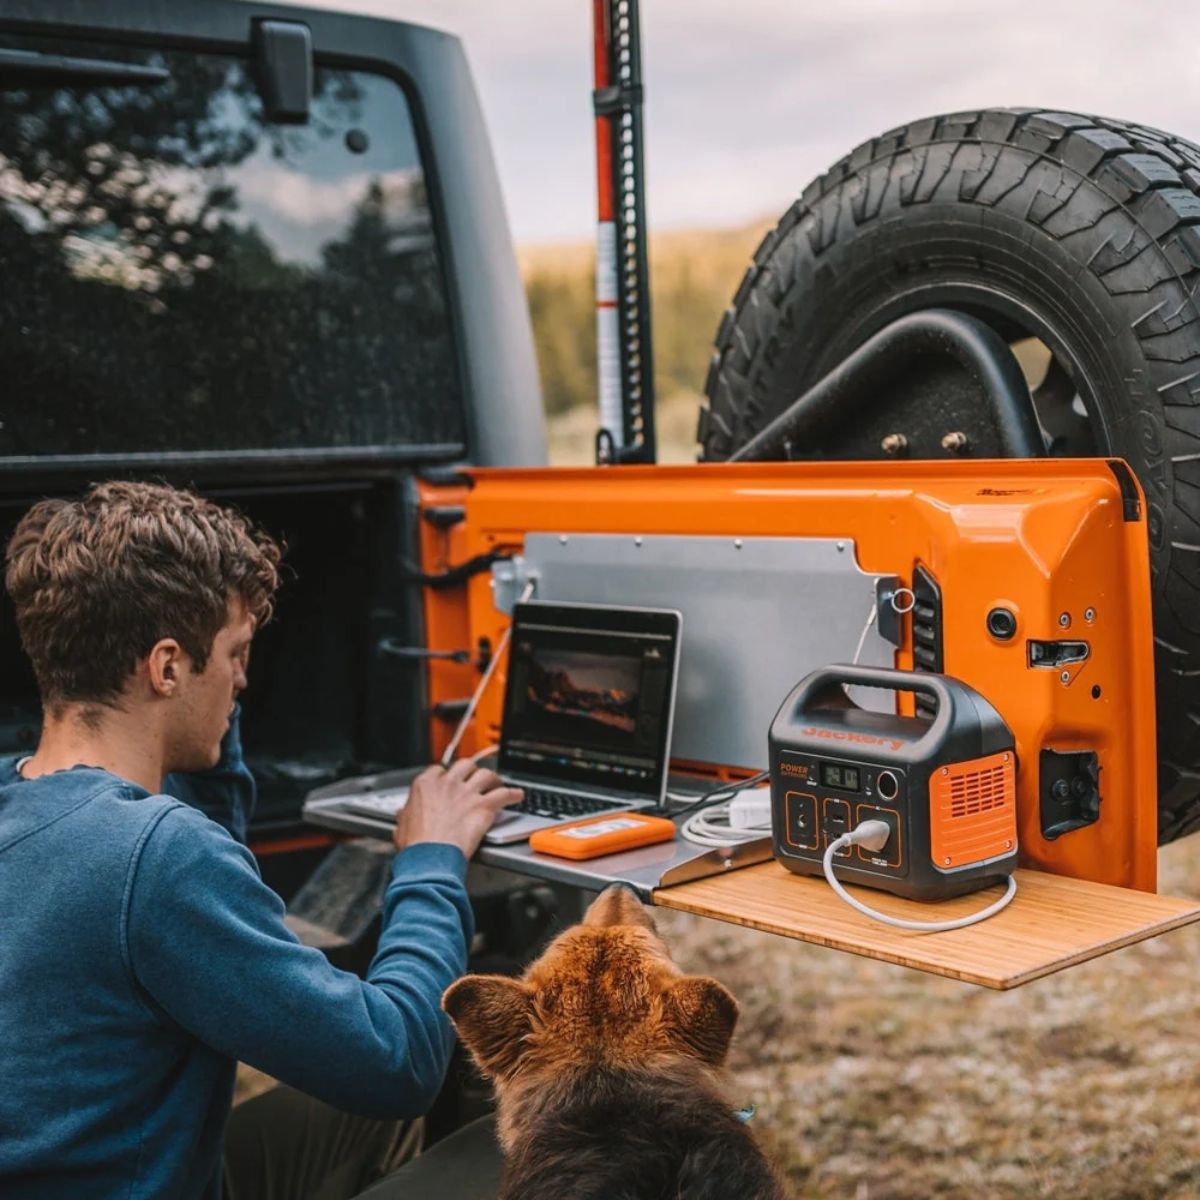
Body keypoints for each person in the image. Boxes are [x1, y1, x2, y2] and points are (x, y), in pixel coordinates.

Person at [0, 480, 521, 1199]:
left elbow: (183, 828)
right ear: (167, 667)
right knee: (515, 1154)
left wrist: (210, 691)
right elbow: (396, 1062)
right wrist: (430, 861)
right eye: (237, 654)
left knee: (333, 1110)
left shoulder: (24, 796)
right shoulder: (154, 858)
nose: (244, 680)